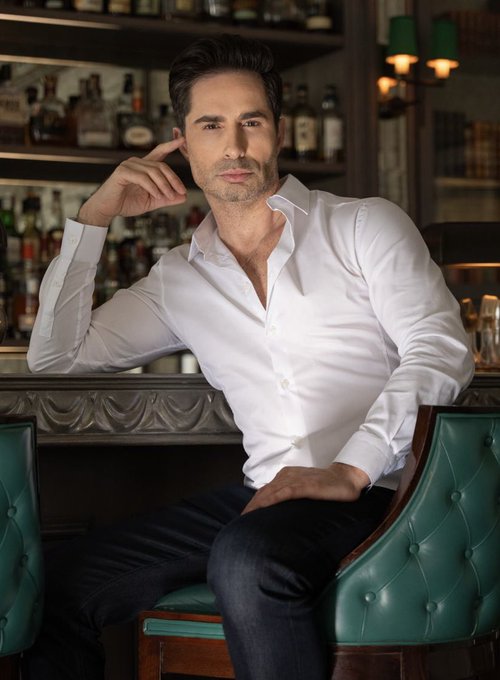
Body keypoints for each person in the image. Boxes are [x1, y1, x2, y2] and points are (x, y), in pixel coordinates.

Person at [24, 34, 474, 680]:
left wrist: (350, 468)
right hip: (268, 498)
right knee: (57, 585)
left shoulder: (363, 226)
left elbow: (441, 349)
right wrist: (93, 218)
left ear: (279, 133)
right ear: (182, 142)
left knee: (246, 559)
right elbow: (55, 358)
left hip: (386, 492)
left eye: (251, 122)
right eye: (211, 125)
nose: (234, 146)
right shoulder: (180, 279)